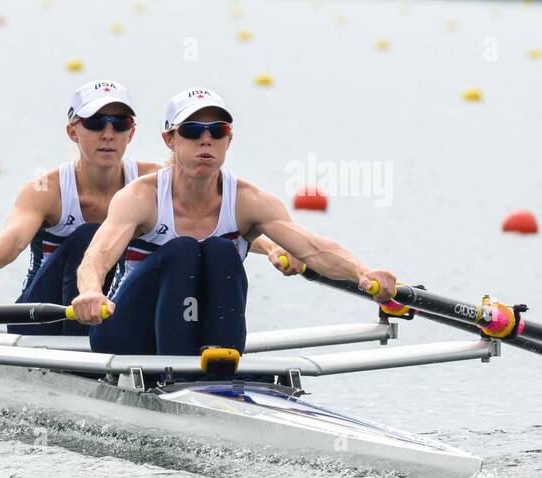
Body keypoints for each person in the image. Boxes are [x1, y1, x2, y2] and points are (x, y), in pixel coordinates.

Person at [68, 87, 397, 357]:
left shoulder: (249, 201)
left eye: (217, 131)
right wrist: (90, 293)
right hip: (125, 337)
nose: (206, 140)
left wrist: (363, 274)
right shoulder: (140, 197)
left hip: (201, 344)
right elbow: (96, 258)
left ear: (229, 139)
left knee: (219, 251)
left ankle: (219, 363)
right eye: (193, 131)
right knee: (182, 250)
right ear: (170, 140)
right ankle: (183, 375)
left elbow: (313, 250)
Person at [0, 80, 161, 335]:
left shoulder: (155, 182)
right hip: (39, 319)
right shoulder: (47, 189)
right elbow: (15, 236)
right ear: (73, 132)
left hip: (113, 314)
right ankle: (81, 356)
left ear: (131, 133)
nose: (108, 134)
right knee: (89, 235)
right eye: (95, 123)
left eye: (120, 124)